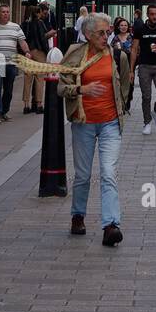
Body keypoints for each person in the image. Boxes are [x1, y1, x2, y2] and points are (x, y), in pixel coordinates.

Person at [53, 13, 127, 247]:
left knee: (108, 172)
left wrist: (120, 108)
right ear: (87, 35)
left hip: (110, 122)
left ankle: (111, 225)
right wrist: (81, 90)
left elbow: (124, 84)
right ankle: (78, 216)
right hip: (83, 122)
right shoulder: (75, 55)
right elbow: (61, 88)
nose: (106, 37)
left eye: (108, 32)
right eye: (101, 33)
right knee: (83, 174)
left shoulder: (117, 55)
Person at [0, 5, 30, 123]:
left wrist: (27, 52)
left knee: (8, 89)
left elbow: (22, 42)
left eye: (7, 12)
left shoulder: (16, 27)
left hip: (10, 62)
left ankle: (4, 111)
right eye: (3, 12)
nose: (5, 14)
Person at [130, 3, 156, 136]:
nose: (154, 16)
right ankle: (147, 122)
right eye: (152, 14)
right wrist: (131, 70)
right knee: (146, 96)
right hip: (144, 66)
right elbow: (134, 49)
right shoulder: (140, 29)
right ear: (147, 15)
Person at [21, 4, 49, 114]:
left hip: (27, 52)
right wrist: (47, 51)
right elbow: (42, 39)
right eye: (39, 12)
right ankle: (39, 104)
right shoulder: (40, 23)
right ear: (36, 13)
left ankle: (26, 105)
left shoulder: (24, 24)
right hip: (38, 52)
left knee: (27, 79)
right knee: (39, 78)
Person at [110, 17, 135, 112]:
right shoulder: (115, 38)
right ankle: (121, 102)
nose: (124, 27)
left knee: (130, 84)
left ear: (128, 27)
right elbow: (111, 50)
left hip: (130, 63)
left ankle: (127, 101)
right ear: (118, 27)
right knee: (119, 83)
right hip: (118, 63)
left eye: (125, 25)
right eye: (121, 25)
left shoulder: (131, 37)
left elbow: (136, 51)